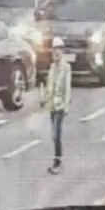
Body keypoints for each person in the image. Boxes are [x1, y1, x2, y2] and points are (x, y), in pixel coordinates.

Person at [42, 37, 72, 174]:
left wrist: (66, 104)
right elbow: (49, 85)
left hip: (60, 106)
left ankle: (58, 162)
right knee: (54, 136)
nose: (56, 52)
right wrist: (44, 99)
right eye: (54, 49)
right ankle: (57, 159)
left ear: (62, 51)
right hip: (52, 106)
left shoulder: (66, 68)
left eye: (59, 49)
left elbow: (67, 87)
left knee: (57, 134)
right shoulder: (52, 67)